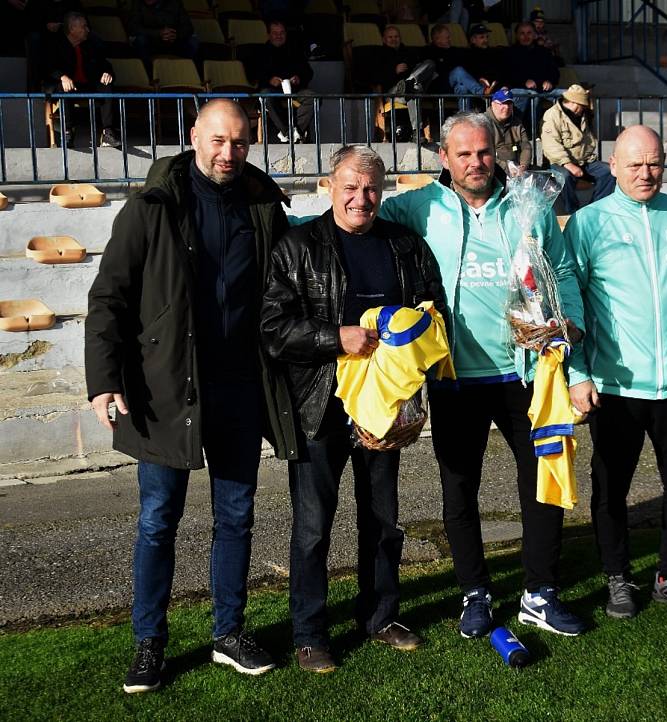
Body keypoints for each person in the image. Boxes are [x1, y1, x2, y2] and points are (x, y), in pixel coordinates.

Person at [85, 99, 297, 693]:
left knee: (236, 515)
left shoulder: (263, 204)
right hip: (164, 392)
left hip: (240, 387)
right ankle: (149, 642)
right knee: (159, 519)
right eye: (219, 140)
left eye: (240, 142)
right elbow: (109, 300)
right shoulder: (151, 206)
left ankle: (228, 633)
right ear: (194, 137)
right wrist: (104, 380)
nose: (229, 153)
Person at [380, 112, 588, 639]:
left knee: (541, 483)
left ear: (497, 151)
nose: (476, 162)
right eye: (464, 154)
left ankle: (539, 593)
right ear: (444, 158)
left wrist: (573, 324)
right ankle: (475, 591)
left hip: (525, 373)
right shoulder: (417, 206)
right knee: (459, 491)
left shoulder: (529, 204)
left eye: (484, 152)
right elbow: (354, 217)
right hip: (455, 378)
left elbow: (560, 268)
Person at [261, 146, 445, 672]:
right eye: (350, 186)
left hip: (382, 409)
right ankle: (310, 632)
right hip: (320, 405)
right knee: (314, 526)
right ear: (329, 185)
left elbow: (433, 314)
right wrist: (333, 337)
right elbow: (274, 329)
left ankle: (381, 615)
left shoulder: (405, 246)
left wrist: (411, 396)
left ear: (382, 191)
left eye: (370, 188)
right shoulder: (296, 247)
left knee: (384, 520)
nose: (360, 198)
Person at [564, 125, 667, 619]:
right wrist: (578, 371)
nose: (645, 172)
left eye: (654, 162)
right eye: (634, 164)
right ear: (611, 166)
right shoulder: (588, 223)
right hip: (615, 386)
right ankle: (618, 576)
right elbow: (568, 306)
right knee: (611, 488)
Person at [46, 11, 120, 148]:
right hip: (67, 86)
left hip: (87, 84)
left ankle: (108, 132)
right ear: (72, 29)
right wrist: (62, 76)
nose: (88, 30)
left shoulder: (90, 45)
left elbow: (105, 64)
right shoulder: (56, 44)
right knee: (64, 87)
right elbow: (47, 67)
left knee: (106, 85)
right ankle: (68, 131)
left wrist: (107, 73)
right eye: (84, 26)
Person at [541, 84, 614, 214]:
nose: (584, 108)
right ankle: (572, 212)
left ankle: (595, 209)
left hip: (583, 160)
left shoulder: (583, 115)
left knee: (608, 172)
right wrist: (568, 164)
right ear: (575, 103)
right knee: (565, 177)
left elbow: (588, 140)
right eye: (583, 105)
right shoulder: (552, 115)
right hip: (560, 162)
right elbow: (551, 145)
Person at [258, 20, 314, 144]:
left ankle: (295, 132)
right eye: (275, 33)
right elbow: (255, 75)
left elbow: (308, 72)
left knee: (312, 97)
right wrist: (269, 80)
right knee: (266, 95)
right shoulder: (261, 52)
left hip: (294, 91)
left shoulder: (295, 50)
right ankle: (289, 133)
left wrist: (299, 78)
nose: (279, 36)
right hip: (273, 91)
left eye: (282, 33)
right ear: (268, 34)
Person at [503, 20, 560, 117]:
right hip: (522, 91)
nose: (526, 36)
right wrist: (524, 82)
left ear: (534, 35)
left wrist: (550, 81)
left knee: (569, 95)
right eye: (522, 33)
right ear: (516, 35)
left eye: (529, 33)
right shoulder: (510, 53)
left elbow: (554, 72)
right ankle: (531, 130)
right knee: (532, 95)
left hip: (545, 91)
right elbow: (507, 75)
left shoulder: (544, 52)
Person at [127, 0, 199, 68]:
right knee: (140, 40)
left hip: (173, 41)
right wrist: (158, 33)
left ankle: (186, 73)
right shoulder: (137, 3)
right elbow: (133, 27)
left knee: (192, 42)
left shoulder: (174, 2)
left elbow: (188, 27)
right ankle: (148, 74)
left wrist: (175, 35)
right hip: (151, 42)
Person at [484, 88, 532, 174]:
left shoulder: (517, 123)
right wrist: (507, 167)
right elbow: (484, 154)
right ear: (493, 104)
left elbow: (526, 146)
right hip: (491, 170)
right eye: (502, 103)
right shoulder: (482, 124)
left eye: (509, 103)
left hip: (517, 170)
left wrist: (523, 166)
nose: (506, 107)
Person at [448, 23, 500, 102]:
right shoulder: (465, 53)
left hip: (484, 89)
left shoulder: (492, 53)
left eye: (487, 37)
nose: (485, 40)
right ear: (473, 40)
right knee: (458, 71)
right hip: (475, 88)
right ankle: (481, 92)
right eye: (482, 37)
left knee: (461, 87)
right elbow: (463, 74)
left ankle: (465, 113)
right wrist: (479, 79)